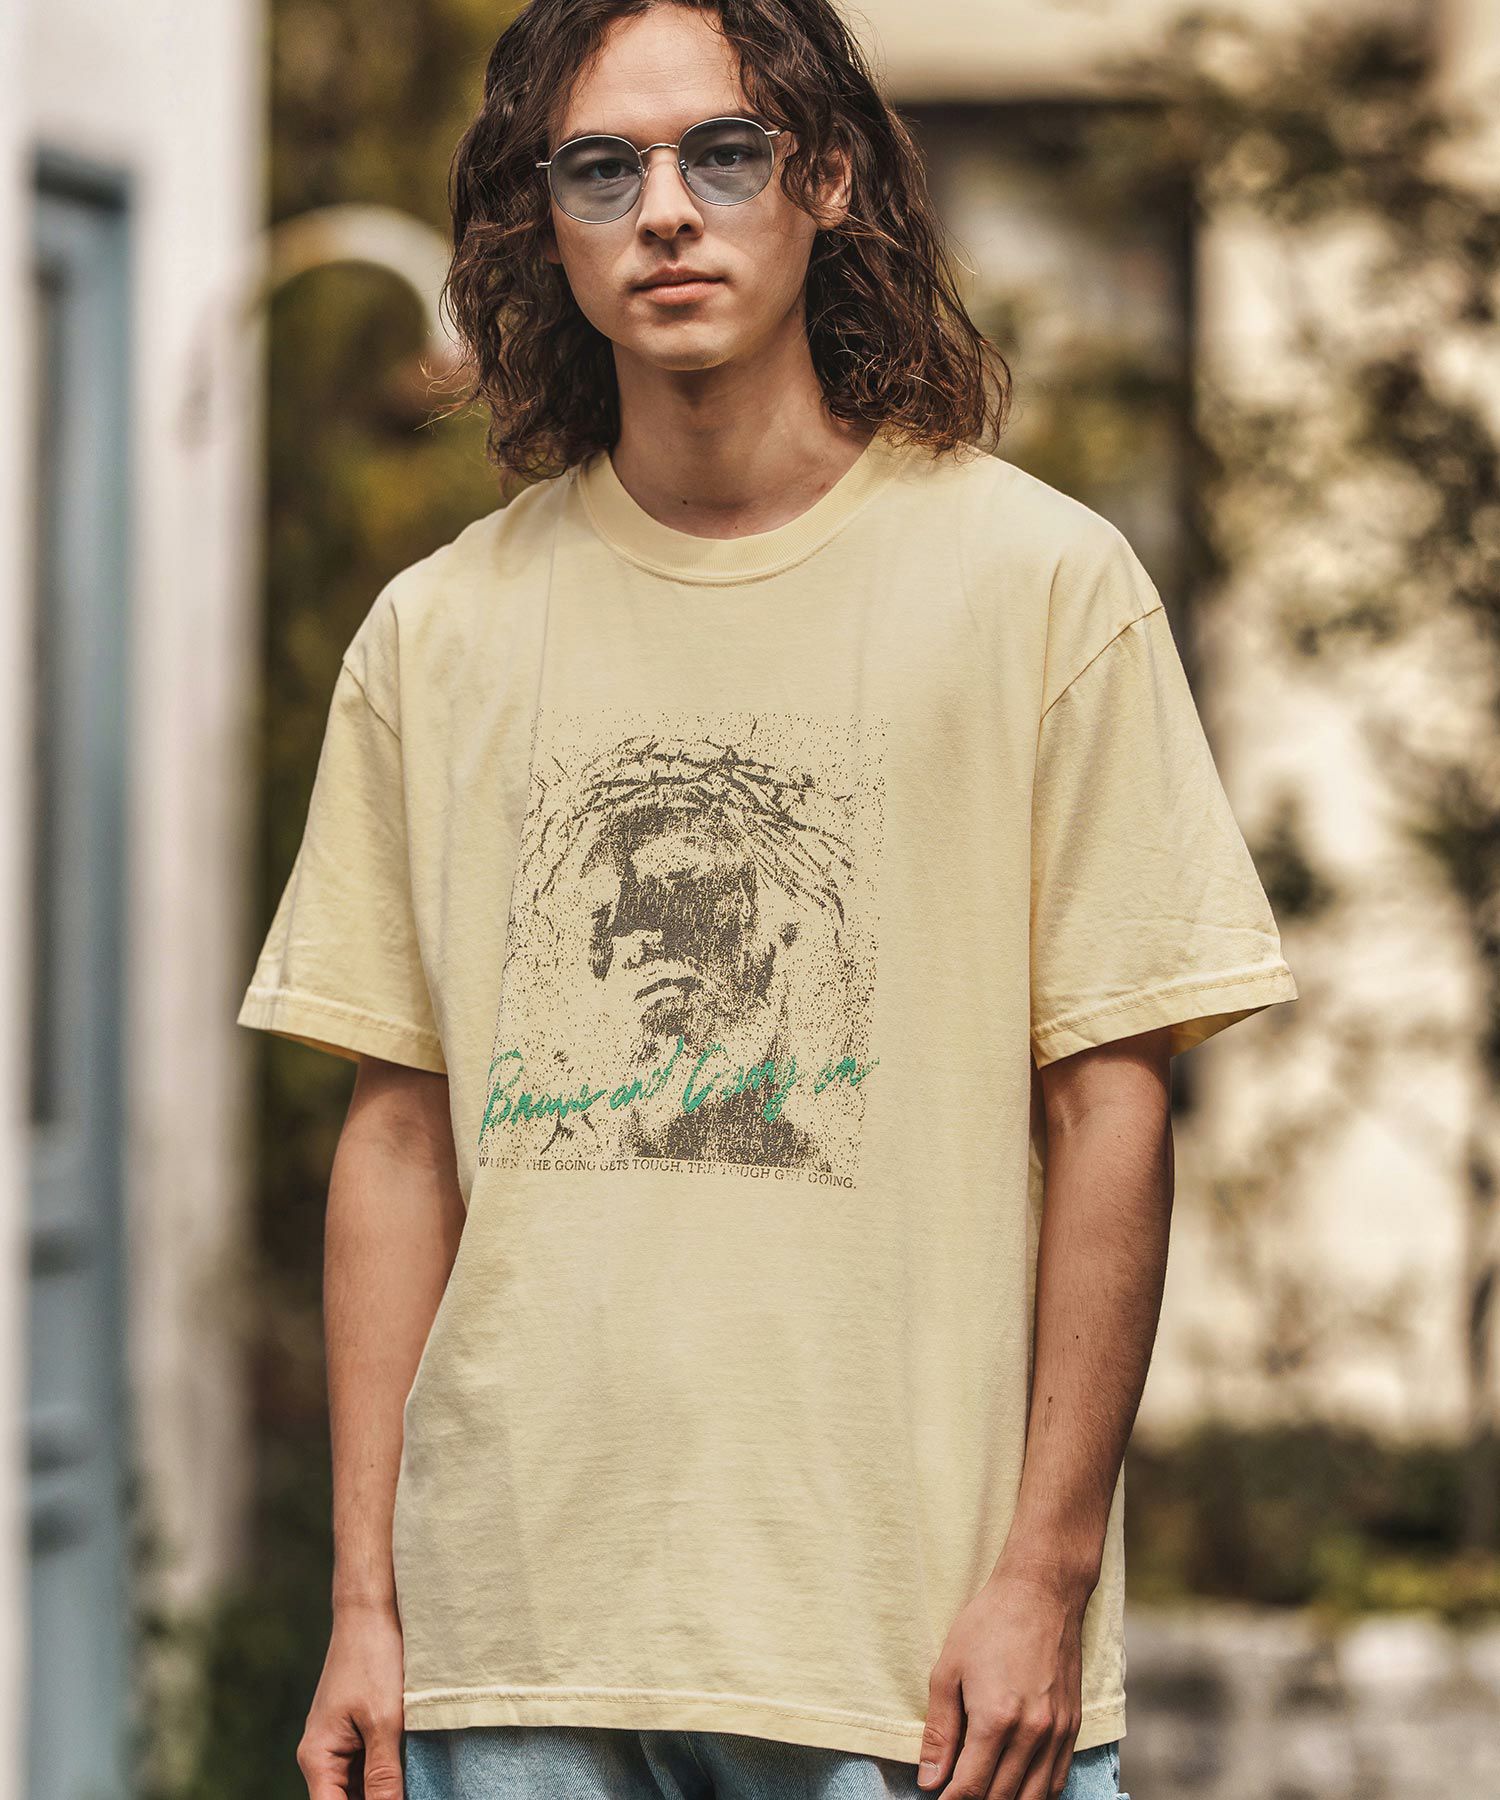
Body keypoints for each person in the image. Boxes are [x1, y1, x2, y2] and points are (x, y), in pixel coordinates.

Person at [236, 1, 1299, 1797]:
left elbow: (1110, 1106)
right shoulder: (439, 638)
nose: (665, 210)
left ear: (826, 180)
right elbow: (398, 1138)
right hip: (519, 1652)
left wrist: (1044, 1577)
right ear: (542, 221)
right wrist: (366, 1606)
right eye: (601, 167)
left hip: (913, 1659)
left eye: (722, 153)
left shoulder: (1042, 588)